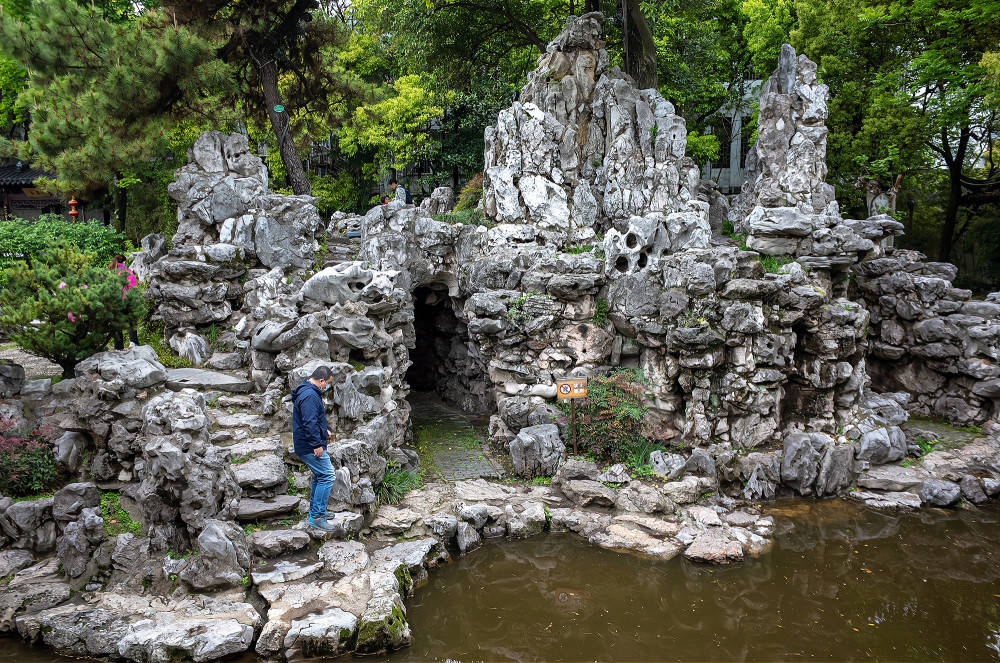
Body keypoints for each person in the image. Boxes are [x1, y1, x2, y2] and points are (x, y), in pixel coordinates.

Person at [292, 365, 338, 531]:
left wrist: (322, 430)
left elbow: (310, 419)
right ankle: (316, 517)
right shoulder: (310, 396)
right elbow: (308, 422)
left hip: (307, 443)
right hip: (309, 445)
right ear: (320, 380)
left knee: (320, 475)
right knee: (328, 476)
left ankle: (316, 512)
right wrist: (316, 444)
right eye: (327, 383)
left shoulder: (307, 392)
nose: (327, 386)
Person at [109, 254, 139, 350]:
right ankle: (133, 342)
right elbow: (132, 286)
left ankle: (118, 346)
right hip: (127, 299)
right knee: (131, 321)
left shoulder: (111, 272)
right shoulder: (127, 271)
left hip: (115, 301)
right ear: (124, 262)